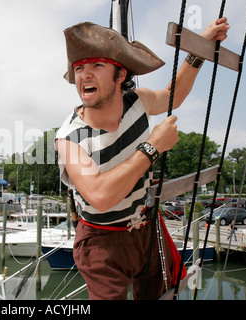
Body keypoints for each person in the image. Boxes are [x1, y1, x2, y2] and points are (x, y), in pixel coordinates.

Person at [55, 18, 230, 300]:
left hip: (146, 227)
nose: (84, 75)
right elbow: (99, 196)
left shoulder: (137, 101)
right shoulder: (69, 138)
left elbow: (175, 94)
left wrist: (200, 49)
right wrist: (152, 147)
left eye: (96, 66)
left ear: (120, 74)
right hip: (101, 242)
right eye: (78, 69)